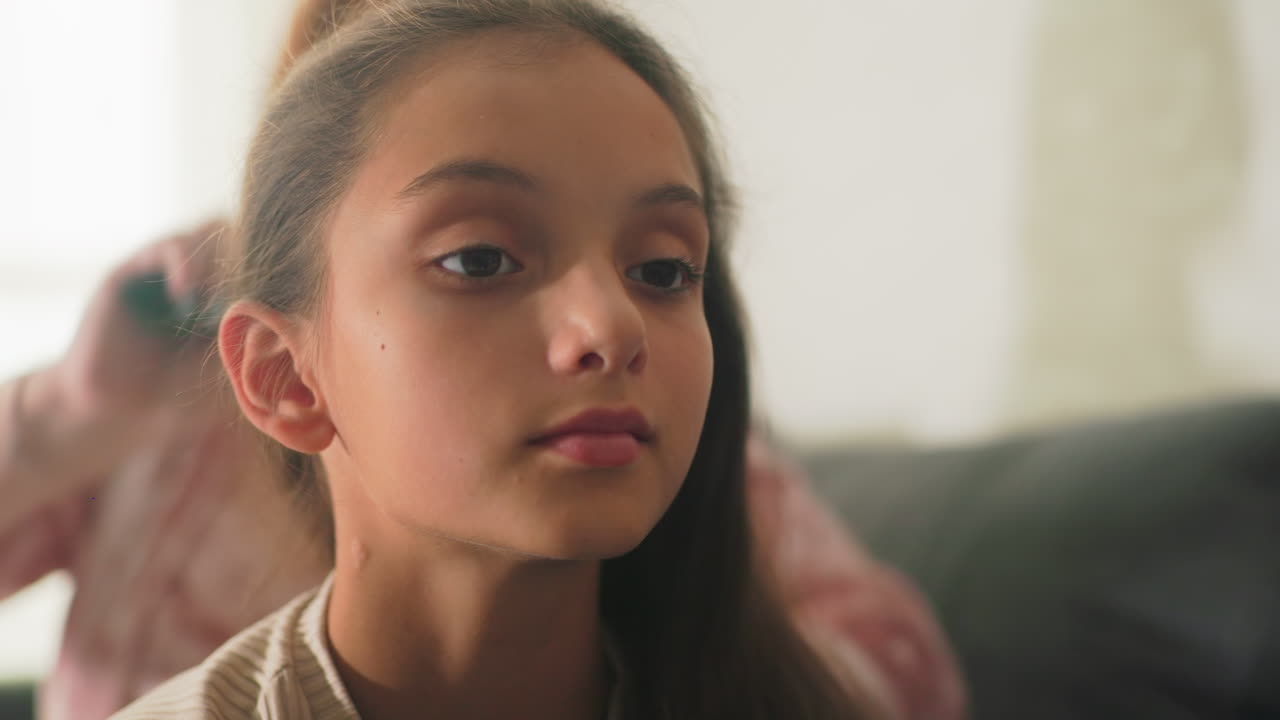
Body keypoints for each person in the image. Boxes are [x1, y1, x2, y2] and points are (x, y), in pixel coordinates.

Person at [0, 0, 965, 718]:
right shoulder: (140, 404)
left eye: (665, 269)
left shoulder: (673, 459)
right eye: (479, 259)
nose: (611, 324)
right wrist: (63, 416)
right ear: (283, 375)